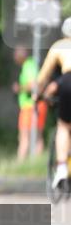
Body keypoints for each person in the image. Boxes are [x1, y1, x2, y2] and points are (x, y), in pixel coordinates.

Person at [34, 17, 71, 188]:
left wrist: (36, 95)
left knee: (63, 126)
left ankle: (62, 168)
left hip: (68, 81)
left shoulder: (60, 46)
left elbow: (43, 76)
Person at [12, 46, 47, 160]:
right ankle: (35, 162)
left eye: (15, 53)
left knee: (25, 137)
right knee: (36, 136)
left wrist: (19, 88)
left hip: (30, 106)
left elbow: (33, 85)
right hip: (35, 105)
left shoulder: (28, 65)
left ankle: (21, 163)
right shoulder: (31, 65)